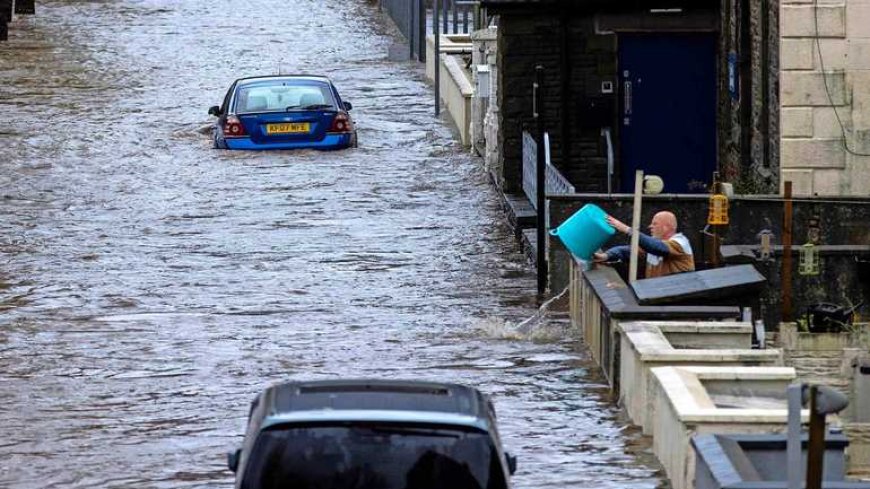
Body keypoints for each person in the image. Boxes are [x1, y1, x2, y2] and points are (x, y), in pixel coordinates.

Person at [593, 211, 694, 278]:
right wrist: (605, 256)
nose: (650, 226)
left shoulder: (681, 242)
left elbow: (657, 248)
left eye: (655, 224)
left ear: (666, 227)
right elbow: (626, 251)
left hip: (678, 301)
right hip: (658, 297)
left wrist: (626, 229)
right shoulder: (653, 243)